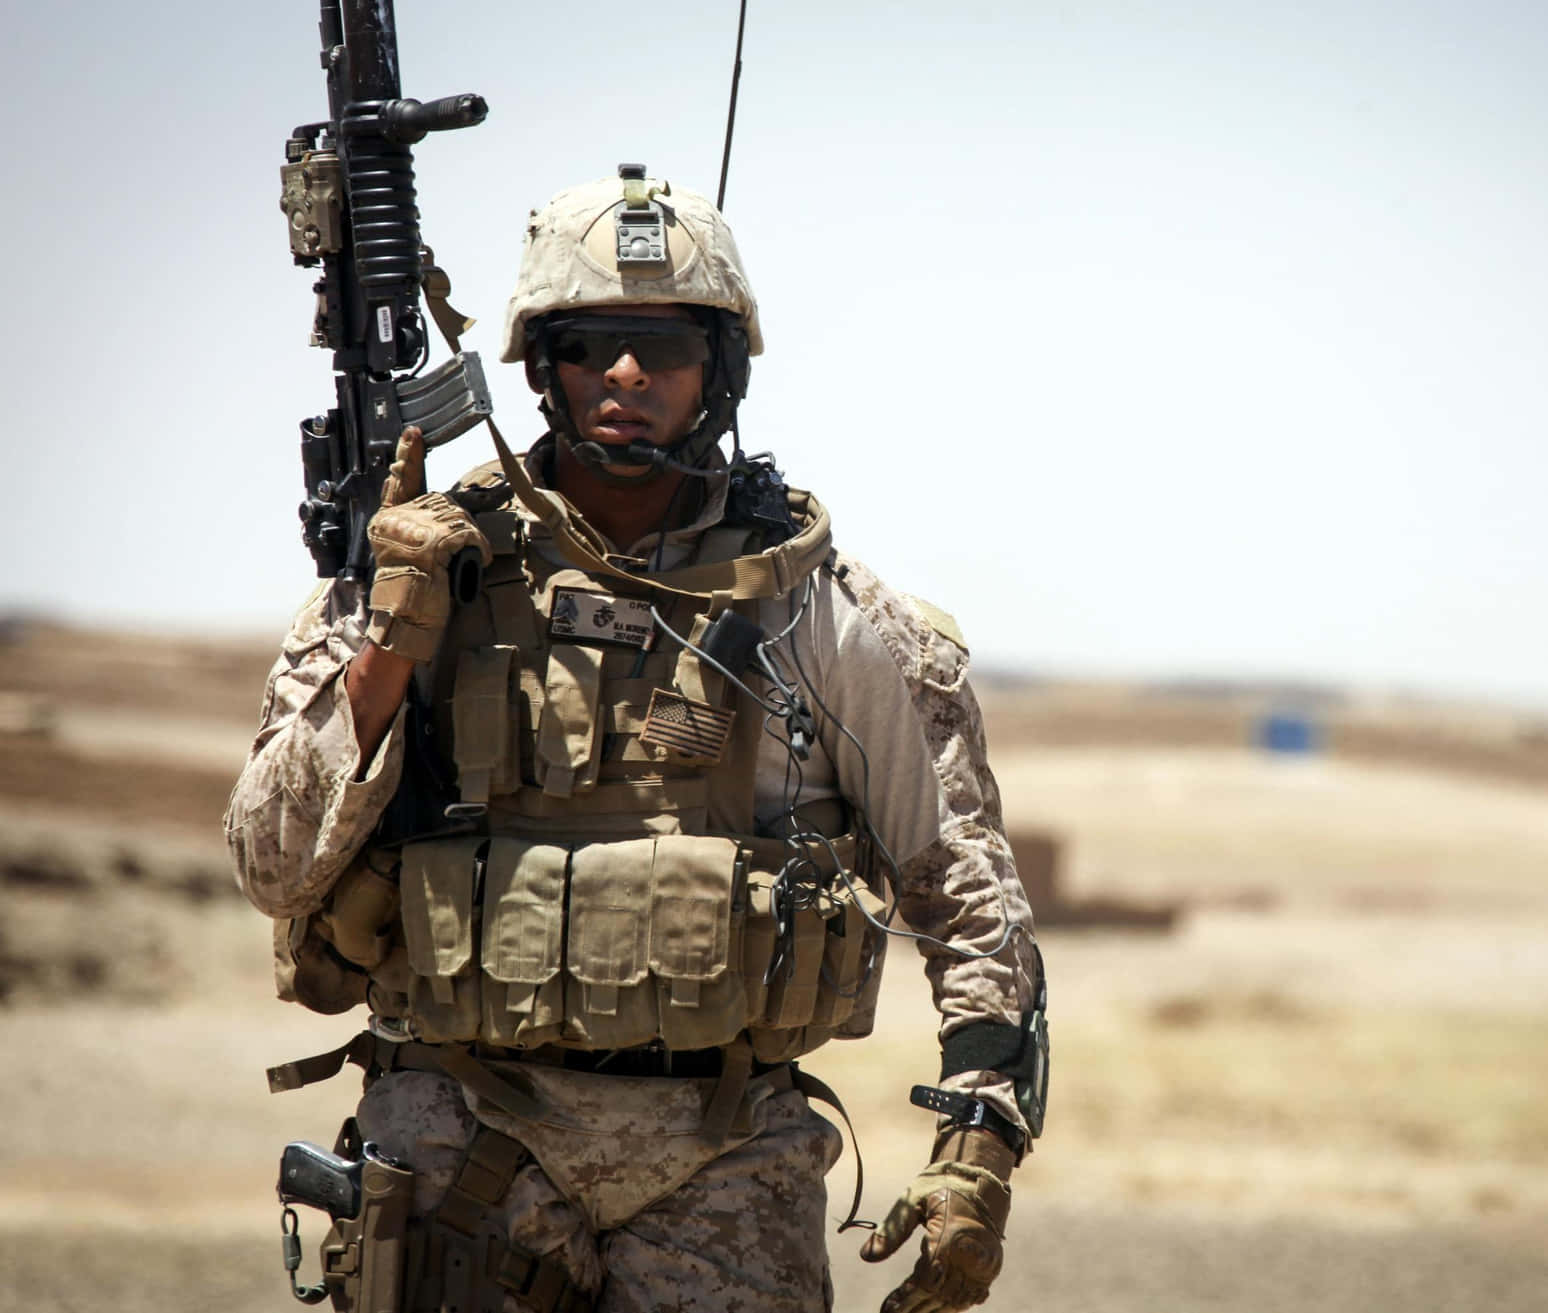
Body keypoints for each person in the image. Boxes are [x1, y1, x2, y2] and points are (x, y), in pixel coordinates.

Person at [225, 169, 1046, 1313]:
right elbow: (272, 863)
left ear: (719, 371)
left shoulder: (821, 612)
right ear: (540, 365)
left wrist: (978, 1150)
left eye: (661, 349)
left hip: (725, 1158)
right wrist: (393, 635)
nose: (624, 376)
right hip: (463, 1135)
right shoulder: (419, 565)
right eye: (592, 344)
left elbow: (965, 884)